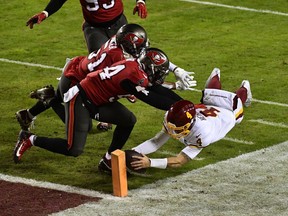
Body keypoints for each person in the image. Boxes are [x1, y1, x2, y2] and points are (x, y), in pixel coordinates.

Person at [13, 48, 190, 175]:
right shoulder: (134, 76)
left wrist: (187, 105)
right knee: (73, 149)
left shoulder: (136, 67)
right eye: (159, 72)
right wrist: (180, 107)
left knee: (128, 120)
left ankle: (107, 161)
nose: (161, 76)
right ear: (149, 69)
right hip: (82, 98)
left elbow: (158, 91)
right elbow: (153, 98)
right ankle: (29, 138)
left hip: (100, 99)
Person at [16, 23, 196, 132]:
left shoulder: (120, 41)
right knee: (82, 126)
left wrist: (176, 69)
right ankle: (49, 99)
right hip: (77, 80)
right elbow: (144, 84)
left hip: (82, 72)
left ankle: (28, 113)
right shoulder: (119, 58)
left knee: (88, 105)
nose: (143, 51)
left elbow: (147, 58)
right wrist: (173, 87)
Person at [130, 68, 253, 170]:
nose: (173, 132)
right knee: (210, 94)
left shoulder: (203, 134)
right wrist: (131, 152)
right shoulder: (172, 117)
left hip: (228, 112)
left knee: (238, 99)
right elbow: (155, 142)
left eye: (177, 129)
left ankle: (245, 88)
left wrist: (150, 162)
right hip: (207, 107)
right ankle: (215, 75)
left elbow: (179, 161)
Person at [26, 0, 148, 53]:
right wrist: (45, 13)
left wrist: (140, 1)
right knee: (100, 63)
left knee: (134, 54)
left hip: (119, 23)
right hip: (94, 28)